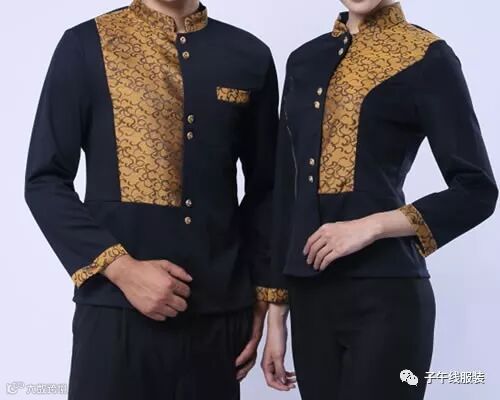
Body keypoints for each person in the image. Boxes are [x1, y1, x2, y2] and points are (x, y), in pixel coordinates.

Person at [24, 0, 284, 399]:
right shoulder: (86, 44)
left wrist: (265, 295)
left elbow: (268, 188)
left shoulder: (249, 54)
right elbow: (45, 180)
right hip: (115, 313)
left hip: (217, 319)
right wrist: (122, 270)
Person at [260, 1, 498, 399]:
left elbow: (477, 189)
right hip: (310, 299)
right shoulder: (303, 61)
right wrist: (277, 311)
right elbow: (288, 191)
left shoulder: (427, 56)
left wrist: (371, 226)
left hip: (386, 295)